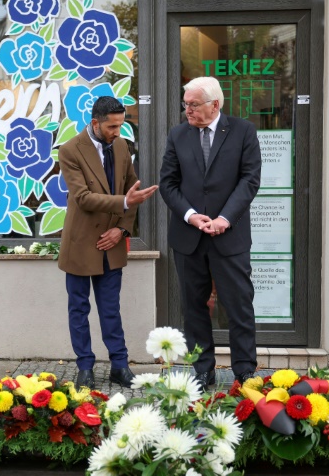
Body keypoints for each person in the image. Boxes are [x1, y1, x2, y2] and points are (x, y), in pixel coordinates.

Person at [159, 76, 261, 389]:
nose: (186, 110)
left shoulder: (243, 131)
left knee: (238, 305)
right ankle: (203, 369)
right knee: (193, 307)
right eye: (185, 104)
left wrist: (225, 218)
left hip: (229, 236)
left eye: (193, 104)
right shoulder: (178, 135)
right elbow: (168, 183)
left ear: (214, 105)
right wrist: (190, 216)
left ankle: (244, 371)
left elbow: (249, 180)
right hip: (189, 237)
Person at [58, 96, 158, 389]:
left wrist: (123, 230)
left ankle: (120, 366)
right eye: (112, 126)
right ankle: (85, 368)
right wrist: (125, 201)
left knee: (110, 309)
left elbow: (133, 191)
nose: (117, 132)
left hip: (112, 242)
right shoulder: (69, 150)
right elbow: (83, 198)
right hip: (79, 244)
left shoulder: (123, 145)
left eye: (121, 125)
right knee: (79, 309)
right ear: (95, 123)